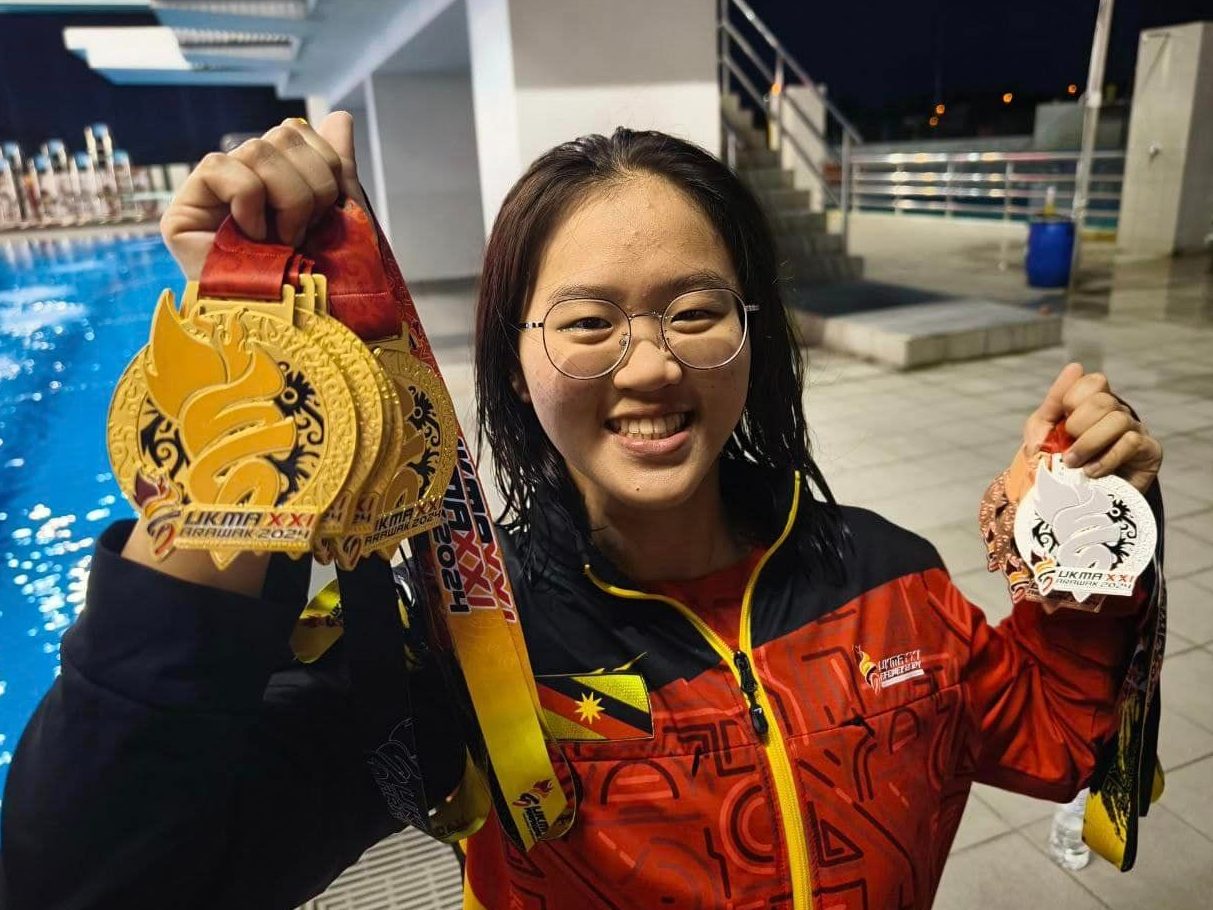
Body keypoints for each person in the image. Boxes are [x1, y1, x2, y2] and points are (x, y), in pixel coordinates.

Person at [0, 113, 1165, 910]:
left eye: (695, 311)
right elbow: (91, 881)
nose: (651, 365)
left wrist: (1090, 529)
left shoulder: (884, 575)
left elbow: (1053, 734)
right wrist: (246, 388)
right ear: (514, 367)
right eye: (589, 322)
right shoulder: (456, 652)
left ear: (753, 337)